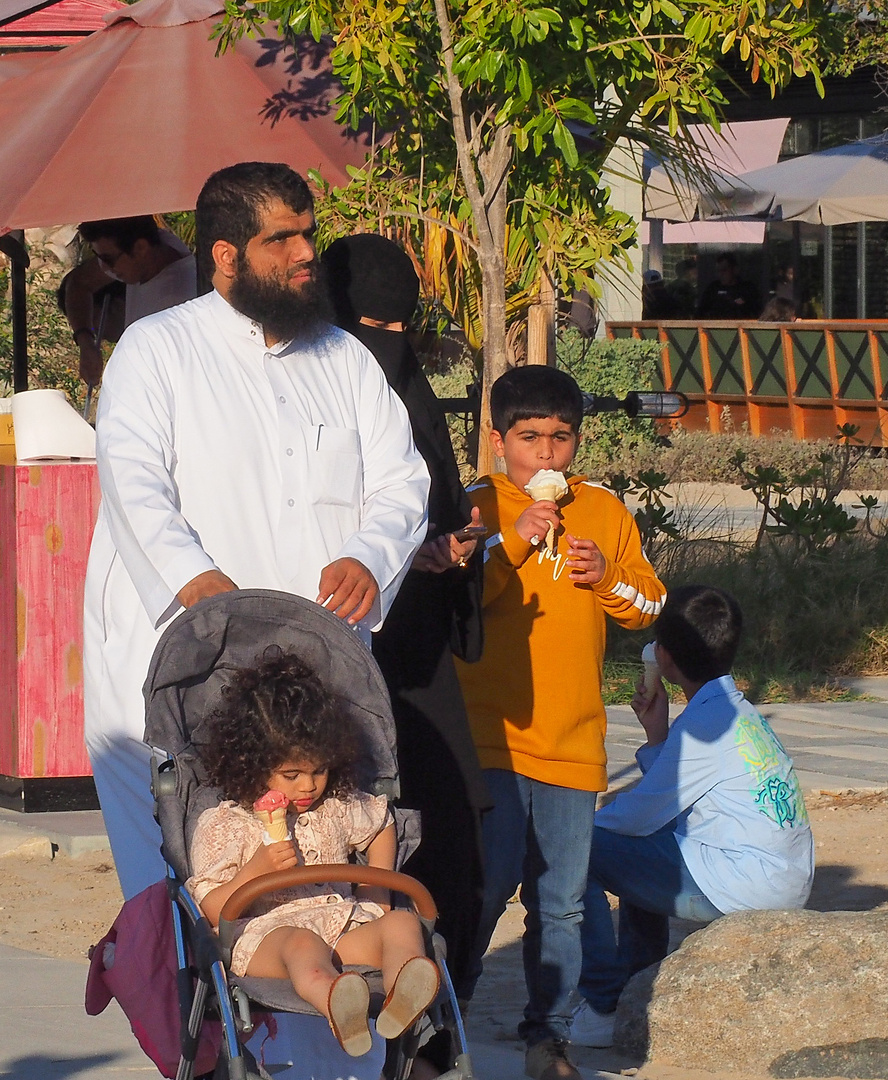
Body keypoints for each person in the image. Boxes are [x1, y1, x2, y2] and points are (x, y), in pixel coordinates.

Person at [83, 161, 430, 904]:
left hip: (315, 688)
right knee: (181, 903)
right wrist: (193, 582)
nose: (307, 254)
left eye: (308, 234)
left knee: (317, 901)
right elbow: (132, 480)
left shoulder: (345, 360)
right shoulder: (157, 351)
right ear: (227, 256)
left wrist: (370, 556)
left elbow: (402, 481)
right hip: (176, 673)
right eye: (283, 239)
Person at [455, 366, 666, 1080]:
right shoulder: (474, 506)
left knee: (565, 901)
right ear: (497, 439)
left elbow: (649, 605)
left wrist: (605, 575)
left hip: (573, 741)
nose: (545, 456)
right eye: (529, 438)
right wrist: (512, 538)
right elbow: (453, 600)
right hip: (491, 736)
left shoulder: (602, 510)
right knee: (484, 888)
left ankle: (548, 1036)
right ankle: (444, 1013)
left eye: (560, 438)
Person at [321, 235, 488, 1028]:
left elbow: (433, 502)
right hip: (335, 645)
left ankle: (432, 1014)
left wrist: (449, 546)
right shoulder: (318, 384)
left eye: (395, 331)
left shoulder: (402, 389)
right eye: (362, 327)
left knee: (450, 839)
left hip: (415, 653)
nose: (380, 349)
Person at [572, 585, 814, 1050]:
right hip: (779, 877)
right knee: (641, 841)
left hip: (744, 884)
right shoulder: (736, 713)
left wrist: (571, 829)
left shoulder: (703, 727)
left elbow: (637, 817)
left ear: (661, 656)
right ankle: (635, 981)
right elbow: (670, 798)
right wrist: (658, 734)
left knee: (572, 850)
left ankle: (603, 1003)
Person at [187, 650, 440, 1058]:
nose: (309, 787)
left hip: (341, 925)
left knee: (402, 923)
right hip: (268, 937)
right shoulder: (227, 824)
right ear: (252, 765)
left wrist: (377, 894)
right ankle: (339, 1006)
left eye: (319, 771)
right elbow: (213, 908)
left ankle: (401, 995)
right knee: (303, 944)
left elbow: (381, 824)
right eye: (292, 775)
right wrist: (255, 870)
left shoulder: (335, 807)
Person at [62, 215, 197, 384]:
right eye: (99, 257)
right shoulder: (156, 245)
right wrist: (86, 342)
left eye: (108, 259)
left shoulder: (179, 299)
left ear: (141, 248)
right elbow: (79, 284)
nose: (104, 268)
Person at [696, 252, 762, 320]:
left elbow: (755, 312)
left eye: (724, 270)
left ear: (735, 270)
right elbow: (701, 313)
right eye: (718, 271)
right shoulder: (712, 289)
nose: (721, 274)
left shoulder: (747, 289)